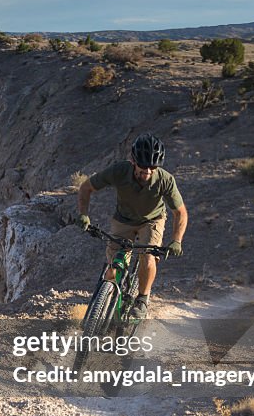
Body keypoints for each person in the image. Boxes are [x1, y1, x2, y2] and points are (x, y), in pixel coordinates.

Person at [76, 134, 188, 320]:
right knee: (113, 267)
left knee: (148, 256)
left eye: (153, 167)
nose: (147, 172)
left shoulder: (166, 180)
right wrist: (83, 214)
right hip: (124, 219)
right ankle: (106, 301)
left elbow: (180, 213)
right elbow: (86, 188)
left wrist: (177, 240)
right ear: (133, 161)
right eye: (143, 167)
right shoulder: (119, 171)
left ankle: (142, 299)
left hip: (152, 220)